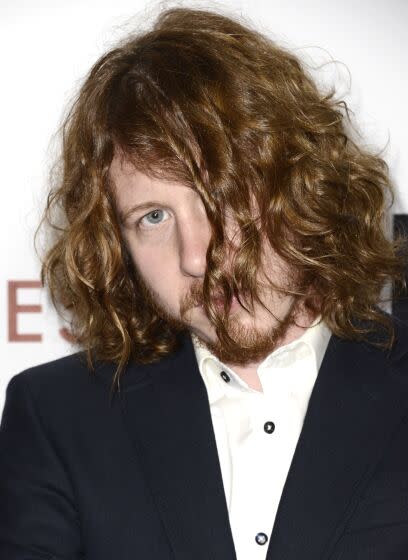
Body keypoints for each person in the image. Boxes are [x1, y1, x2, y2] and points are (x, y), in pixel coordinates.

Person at [1, 6, 407, 560]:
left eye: (227, 196)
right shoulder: (56, 416)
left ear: (299, 180)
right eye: (153, 217)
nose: (198, 255)